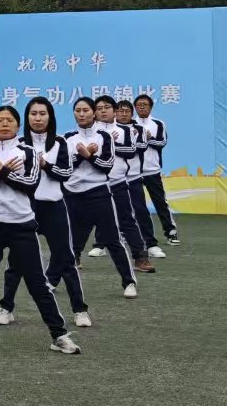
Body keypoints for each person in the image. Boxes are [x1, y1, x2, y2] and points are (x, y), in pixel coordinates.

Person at [0, 105, 80, 355]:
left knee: (38, 284)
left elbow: (30, 183)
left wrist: (0, 172)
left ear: (18, 125)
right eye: (0, 120)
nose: (4, 123)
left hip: (22, 226)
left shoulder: (28, 152)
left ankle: (59, 336)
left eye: (9, 120)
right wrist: (1, 175)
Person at [0, 96, 91, 328]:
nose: (37, 118)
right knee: (16, 261)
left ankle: (80, 310)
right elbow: (11, 177)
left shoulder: (60, 142)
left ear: (50, 117)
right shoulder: (18, 144)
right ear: (26, 117)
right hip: (25, 209)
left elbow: (66, 174)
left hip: (54, 206)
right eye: (33, 114)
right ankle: (6, 308)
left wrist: (46, 165)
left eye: (42, 114)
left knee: (66, 259)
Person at [61, 96, 138, 298]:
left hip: (99, 193)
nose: (82, 114)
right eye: (78, 110)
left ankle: (129, 282)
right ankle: (53, 281)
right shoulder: (67, 138)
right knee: (69, 241)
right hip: (72, 195)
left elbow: (106, 166)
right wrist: (83, 155)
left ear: (93, 112)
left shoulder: (104, 136)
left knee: (113, 239)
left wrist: (89, 155)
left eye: (86, 110)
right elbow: (65, 167)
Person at [85, 97, 154, 275]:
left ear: (115, 111)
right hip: (93, 184)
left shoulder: (125, 130)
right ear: (94, 112)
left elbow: (131, 151)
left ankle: (140, 257)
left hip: (117, 182)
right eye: (99, 108)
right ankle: (74, 257)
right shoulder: (87, 133)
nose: (103, 111)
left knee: (127, 220)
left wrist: (110, 143)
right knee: (82, 222)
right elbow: (82, 155)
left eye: (107, 107)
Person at [115, 98, 161, 266]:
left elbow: (140, 147)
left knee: (140, 210)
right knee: (109, 213)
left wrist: (120, 143)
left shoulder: (139, 129)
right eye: (120, 111)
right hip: (113, 179)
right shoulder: (109, 130)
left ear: (131, 113)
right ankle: (100, 244)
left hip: (134, 177)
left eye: (127, 111)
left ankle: (151, 244)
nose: (123, 114)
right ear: (115, 113)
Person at [133, 93, 178, 245]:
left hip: (152, 170)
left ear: (151, 107)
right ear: (135, 107)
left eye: (145, 104)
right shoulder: (130, 124)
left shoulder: (158, 124)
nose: (142, 107)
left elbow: (162, 142)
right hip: (133, 172)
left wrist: (148, 138)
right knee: (133, 204)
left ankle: (170, 231)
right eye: (139, 105)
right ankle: (130, 234)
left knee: (160, 201)